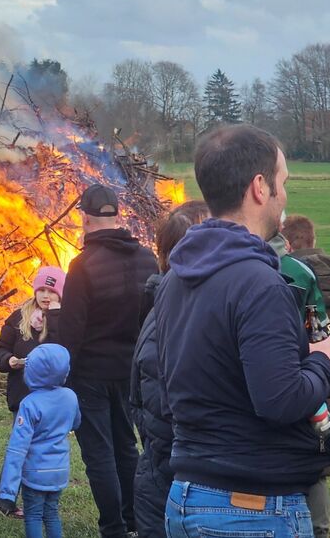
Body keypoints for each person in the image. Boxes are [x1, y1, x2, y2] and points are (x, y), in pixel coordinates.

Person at [154, 125, 330, 538]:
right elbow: (279, 400)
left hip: (187, 496)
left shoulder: (176, 277)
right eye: (283, 182)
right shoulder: (260, 284)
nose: (285, 195)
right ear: (260, 187)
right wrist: (325, 362)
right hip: (251, 510)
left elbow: (171, 392)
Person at [51, 183, 157, 538]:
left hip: (91, 375)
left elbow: (71, 332)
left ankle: (112, 526)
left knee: (99, 454)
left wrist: (61, 380)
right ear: (117, 215)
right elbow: (153, 321)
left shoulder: (82, 266)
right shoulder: (147, 259)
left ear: (84, 218)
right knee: (127, 446)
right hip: (131, 372)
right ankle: (134, 520)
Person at [129, 200, 208, 538]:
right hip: (177, 478)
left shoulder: (163, 307)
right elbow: (156, 406)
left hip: (167, 473)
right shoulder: (177, 312)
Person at [283, 214, 330, 538]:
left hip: (288, 382)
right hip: (326, 385)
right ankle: (320, 528)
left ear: (288, 242)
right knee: (318, 468)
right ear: (312, 239)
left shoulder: (284, 277)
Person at [0, 344, 81, 538]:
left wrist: (7, 491)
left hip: (35, 473)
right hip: (59, 471)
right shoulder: (70, 397)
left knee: (34, 515)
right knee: (52, 514)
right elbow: (76, 422)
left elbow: (17, 449)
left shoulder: (29, 404)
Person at [0, 267, 66, 414]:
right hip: (22, 398)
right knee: (22, 437)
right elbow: (0, 348)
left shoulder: (67, 318)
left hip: (54, 399)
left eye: (51, 291)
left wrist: (54, 316)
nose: (46, 296)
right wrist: (8, 360)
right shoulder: (18, 317)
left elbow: (65, 348)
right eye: (41, 290)